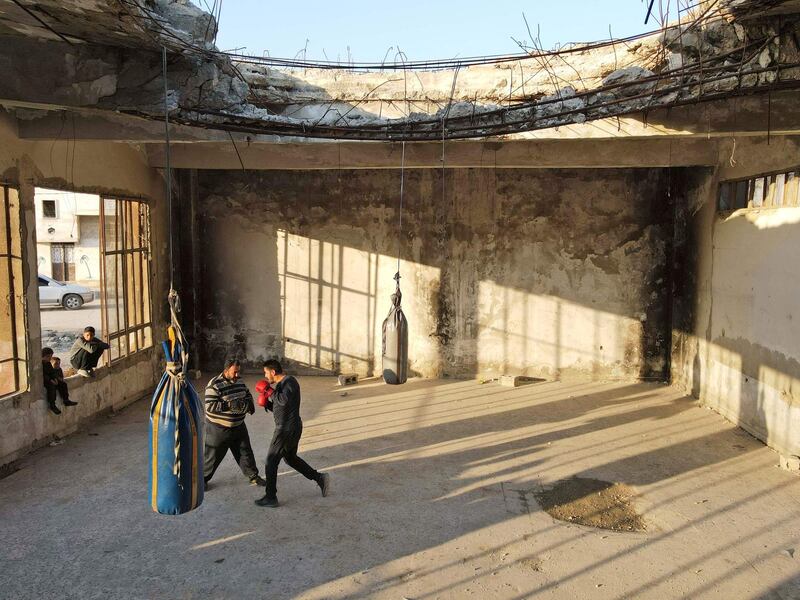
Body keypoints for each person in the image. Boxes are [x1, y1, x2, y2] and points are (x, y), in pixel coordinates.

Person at [255, 359, 329, 508]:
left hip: (286, 430)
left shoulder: (290, 382)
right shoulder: (282, 385)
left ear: (273, 372)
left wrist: (268, 391)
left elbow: (283, 400)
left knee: (271, 462)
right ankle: (319, 478)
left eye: (266, 372)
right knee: (290, 458)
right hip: (291, 427)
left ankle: (271, 497)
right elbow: (280, 407)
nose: (265, 376)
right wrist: (267, 403)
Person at [204, 358, 266, 490]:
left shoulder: (239, 380)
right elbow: (209, 406)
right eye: (235, 372)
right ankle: (202, 480)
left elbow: (247, 393)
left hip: (238, 425)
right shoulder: (214, 384)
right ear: (226, 370)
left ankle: (253, 476)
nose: (237, 375)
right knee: (212, 456)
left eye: (238, 372)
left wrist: (249, 403)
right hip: (218, 428)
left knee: (245, 452)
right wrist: (229, 405)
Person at [42, 348, 77, 414]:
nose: (49, 358)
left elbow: (52, 373)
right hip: (46, 381)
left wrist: (55, 378)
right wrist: (51, 380)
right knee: (52, 387)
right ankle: (52, 405)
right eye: (48, 357)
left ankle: (66, 400)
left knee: (63, 384)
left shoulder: (48, 363)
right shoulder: (40, 365)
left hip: (51, 379)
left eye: (50, 356)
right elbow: (43, 375)